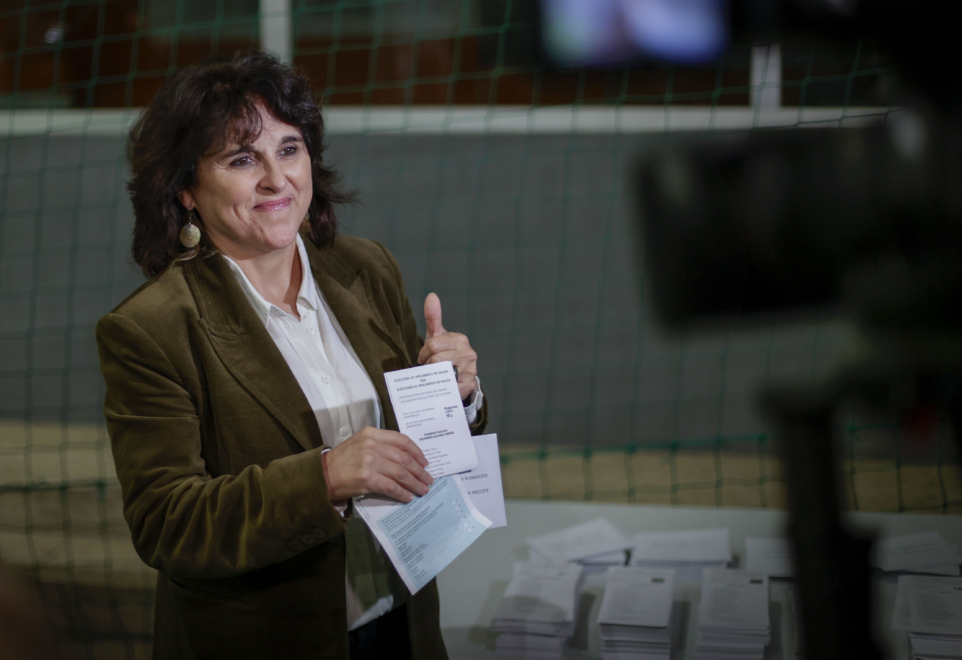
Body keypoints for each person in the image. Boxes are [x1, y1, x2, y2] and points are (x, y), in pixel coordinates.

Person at [96, 52, 486, 660]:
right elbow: (166, 523)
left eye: (289, 148)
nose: (277, 180)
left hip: (401, 620)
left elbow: (416, 447)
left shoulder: (366, 267)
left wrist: (456, 396)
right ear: (186, 190)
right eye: (242, 159)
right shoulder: (150, 329)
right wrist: (325, 477)